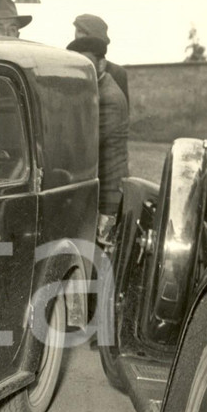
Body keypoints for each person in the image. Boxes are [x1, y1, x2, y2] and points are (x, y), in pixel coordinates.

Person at [67, 36, 129, 243]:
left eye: (86, 63)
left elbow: (84, 143)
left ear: (101, 64)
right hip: (98, 192)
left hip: (108, 199)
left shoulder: (108, 98)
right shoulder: (94, 89)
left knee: (102, 249)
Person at [74, 13, 129, 104]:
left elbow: (121, 108)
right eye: (78, 31)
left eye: (82, 31)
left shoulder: (116, 72)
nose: (77, 36)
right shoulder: (69, 67)